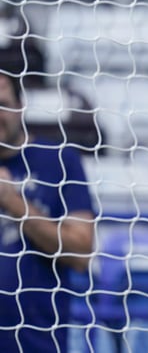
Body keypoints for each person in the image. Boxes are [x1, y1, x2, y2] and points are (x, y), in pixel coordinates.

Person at [0, 73, 97, 352]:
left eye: (2, 104)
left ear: (20, 106)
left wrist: (12, 201)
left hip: (38, 343)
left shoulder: (59, 160)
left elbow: (80, 253)